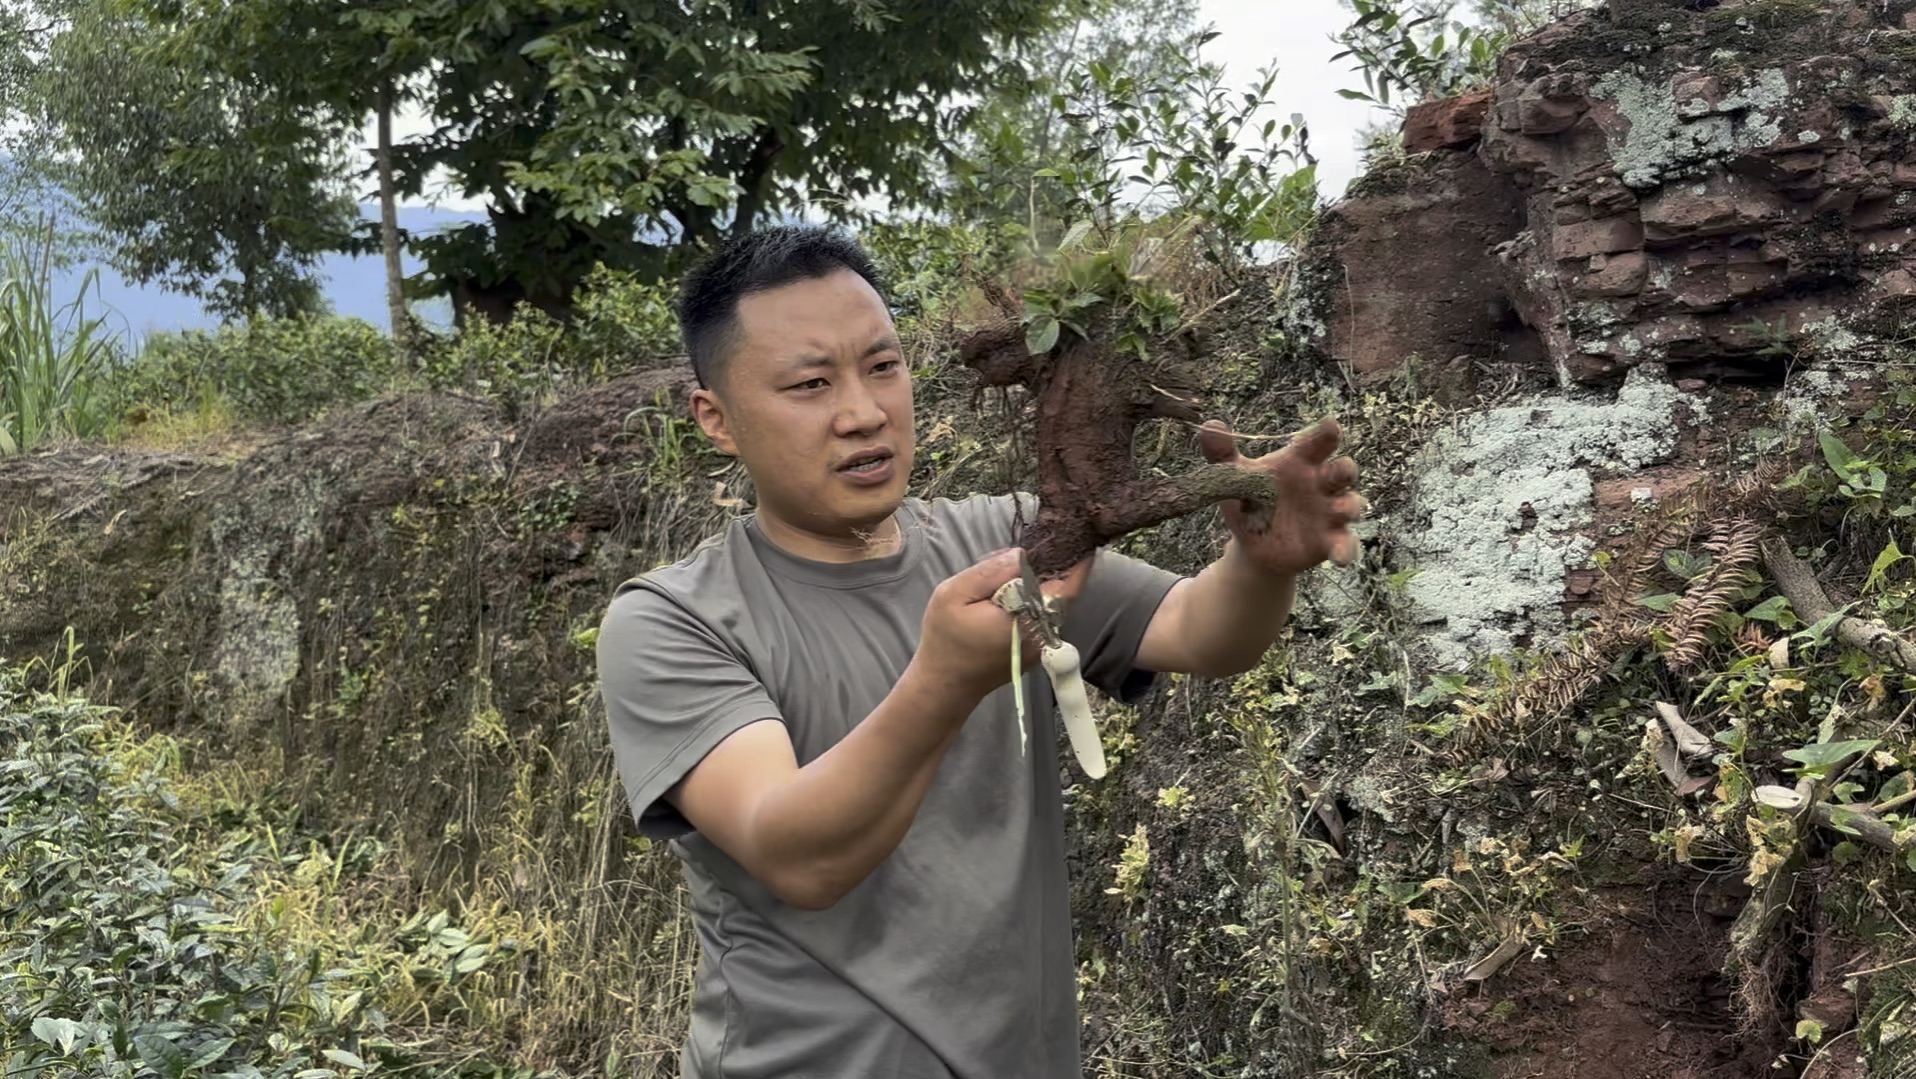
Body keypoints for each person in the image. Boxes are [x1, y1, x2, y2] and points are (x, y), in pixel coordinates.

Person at [595, 224, 1365, 1079]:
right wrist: (946, 679)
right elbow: (798, 855)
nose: (862, 412)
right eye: (811, 383)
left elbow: (1198, 630)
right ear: (717, 418)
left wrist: (1259, 564)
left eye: (882, 367)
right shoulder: (673, 619)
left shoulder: (1003, 538)